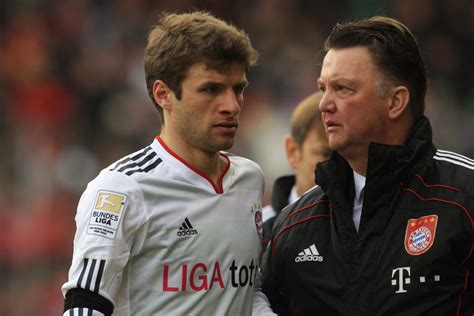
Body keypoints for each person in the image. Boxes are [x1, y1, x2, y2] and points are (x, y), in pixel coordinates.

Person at [261, 16, 474, 315]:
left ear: (395, 102)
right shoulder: (295, 224)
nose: (323, 104)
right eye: (323, 88)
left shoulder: (464, 198)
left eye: (343, 89)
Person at [62, 11, 270, 316]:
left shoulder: (250, 179)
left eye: (237, 89)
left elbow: (246, 292)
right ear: (164, 94)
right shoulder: (122, 189)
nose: (232, 105)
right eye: (211, 89)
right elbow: (84, 307)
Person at [261, 92, 330, 251]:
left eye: (343, 156)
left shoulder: (365, 221)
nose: (337, 165)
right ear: (292, 151)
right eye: (325, 154)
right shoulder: (259, 230)